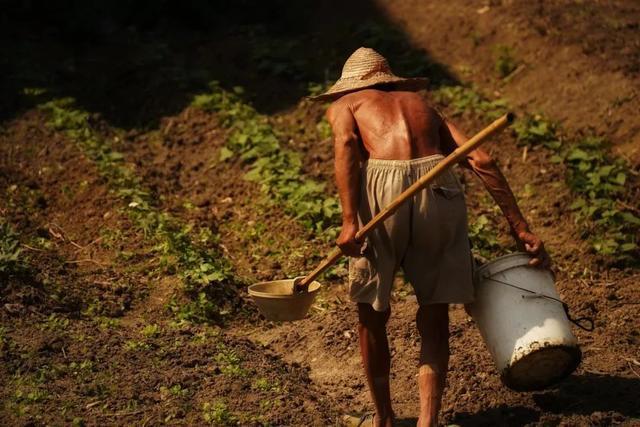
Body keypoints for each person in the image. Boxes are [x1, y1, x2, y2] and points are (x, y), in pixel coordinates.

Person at [311, 47, 551, 427]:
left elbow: (344, 145)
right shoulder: (423, 106)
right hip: (438, 186)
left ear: (350, 85)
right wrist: (519, 226)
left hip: (383, 192)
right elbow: (481, 160)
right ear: (390, 80)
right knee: (435, 310)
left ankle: (384, 419)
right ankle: (428, 422)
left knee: (371, 313)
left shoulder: (347, 104)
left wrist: (347, 221)